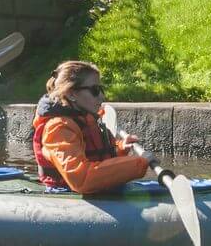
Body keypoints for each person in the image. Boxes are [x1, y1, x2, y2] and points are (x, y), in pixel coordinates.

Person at [30, 61, 148, 194]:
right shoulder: (58, 128)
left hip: (95, 190)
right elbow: (81, 180)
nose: (102, 96)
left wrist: (119, 149)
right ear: (71, 94)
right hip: (66, 192)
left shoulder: (86, 118)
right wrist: (139, 164)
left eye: (101, 89)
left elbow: (95, 156)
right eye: (95, 90)